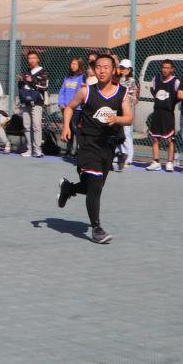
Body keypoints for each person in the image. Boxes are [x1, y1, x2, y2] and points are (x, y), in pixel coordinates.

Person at [57, 54, 133, 244]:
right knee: (96, 187)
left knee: (92, 187)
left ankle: (68, 188)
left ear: (114, 70)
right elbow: (69, 107)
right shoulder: (86, 91)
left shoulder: (122, 93)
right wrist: (66, 127)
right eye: (98, 67)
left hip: (108, 145)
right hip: (88, 144)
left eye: (106, 67)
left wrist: (116, 119)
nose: (102, 70)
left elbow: (129, 118)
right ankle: (97, 229)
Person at [145, 60, 179, 172]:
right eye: (163, 67)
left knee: (170, 139)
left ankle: (170, 162)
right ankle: (156, 162)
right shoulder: (156, 79)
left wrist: (170, 103)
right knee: (155, 138)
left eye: (168, 68)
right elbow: (152, 90)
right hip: (157, 112)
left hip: (168, 113)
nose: (165, 70)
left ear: (172, 69)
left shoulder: (175, 82)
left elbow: (178, 95)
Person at [18, 51, 49, 158]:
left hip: (37, 102)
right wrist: (21, 81)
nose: (31, 60)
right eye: (29, 58)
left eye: (34, 58)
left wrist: (32, 81)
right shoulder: (26, 71)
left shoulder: (43, 72)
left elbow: (44, 87)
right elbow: (22, 87)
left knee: (36, 125)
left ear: (38, 59)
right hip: (25, 101)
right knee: (27, 126)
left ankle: (38, 150)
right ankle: (29, 149)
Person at [57, 59, 86, 157]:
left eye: (75, 64)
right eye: (72, 64)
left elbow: (81, 93)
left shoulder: (82, 77)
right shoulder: (67, 77)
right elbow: (62, 91)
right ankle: (69, 150)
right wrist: (61, 103)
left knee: (75, 128)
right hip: (66, 108)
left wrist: (76, 104)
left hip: (77, 108)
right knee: (67, 127)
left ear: (79, 65)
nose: (73, 66)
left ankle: (78, 150)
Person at [114, 59, 137, 172]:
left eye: (125, 68)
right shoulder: (118, 79)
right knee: (119, 132)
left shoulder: (131, 81)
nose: (123, 70)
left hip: (127, 109)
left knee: (127, 133)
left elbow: (131, 96)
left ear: (129, 69)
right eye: (121, 67)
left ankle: (128, 157)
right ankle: (120, 154)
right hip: (118, 108)